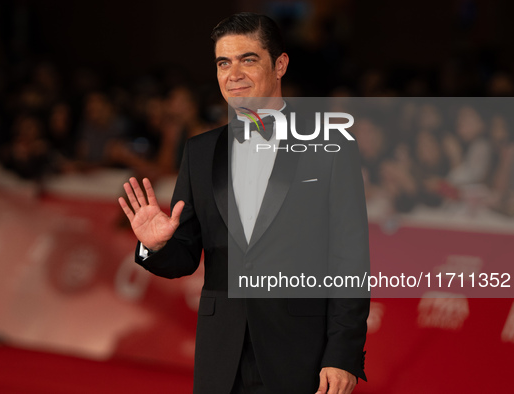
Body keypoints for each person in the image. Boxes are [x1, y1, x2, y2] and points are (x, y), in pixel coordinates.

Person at [119, 13, 369, 394]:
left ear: (280, 64)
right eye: (223, 62)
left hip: (302, 354)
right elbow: (184, 259)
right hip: (221, 354)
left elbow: (350, 260)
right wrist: (155, 246)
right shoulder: (199, 152)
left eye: (247, 59)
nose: (233, 73)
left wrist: (343, 354)